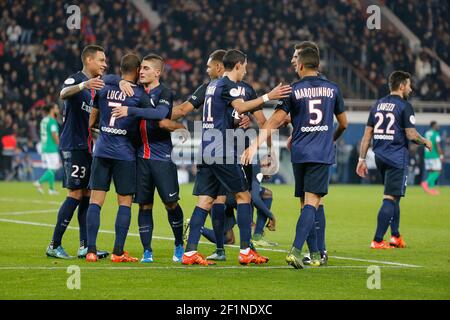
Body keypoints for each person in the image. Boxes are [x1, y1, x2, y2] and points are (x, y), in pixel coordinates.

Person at [182, 49, 291, 266]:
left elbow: (231, 113)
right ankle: (245, 251)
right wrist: (269, 96)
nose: (246, 71)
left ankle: (190, 252)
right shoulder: (227, 85)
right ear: (239, 65)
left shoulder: (212, 85)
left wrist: (237, 120)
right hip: (222, 150)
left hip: (207, 148)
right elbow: (241, 107)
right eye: (246, 66)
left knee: (205, 201)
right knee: (244, 197)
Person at [242, 47, 348, 269]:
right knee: (313, 203)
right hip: (320, 153)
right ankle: (296, 250)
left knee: (304, 204)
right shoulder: (333, 89)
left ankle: (317, 253)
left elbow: (273, 122)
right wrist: (332, 138)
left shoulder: (293, 90)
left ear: (300, 66)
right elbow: (344, 123)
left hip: (299, 152)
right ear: (317, 66)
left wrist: (254, 146)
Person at [85, 53, 168, 262]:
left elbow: (93, 113)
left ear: (120, 68)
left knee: (96, 201)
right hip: (125, 154)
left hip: (102, 149)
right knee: (124, 204)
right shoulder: (139, 94)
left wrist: (93, 126)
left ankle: (91, 251)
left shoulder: (104, 85)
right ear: (138, 68)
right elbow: (157, 114)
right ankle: (117, 252)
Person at [111, 54, 187, 263]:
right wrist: (119, 81)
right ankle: (147, 250)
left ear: (157, 72)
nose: (141, 71)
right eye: (140, 68)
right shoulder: (133, 90)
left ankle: (179, 244)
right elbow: (108, 79)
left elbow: (161, 114)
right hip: (139, 157)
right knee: (144, 205)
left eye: (145, 68)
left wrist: (130, 110)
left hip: (161, 156)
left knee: (170, 203)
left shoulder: (164, 92)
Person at [45, 45, 109, 260]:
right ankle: (54, 244)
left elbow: (87, 121)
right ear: (89, 60)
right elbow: (63, 93)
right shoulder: (77, 79)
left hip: (87, 146)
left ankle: (85, 246)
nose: (104, 64)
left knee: (87, 196)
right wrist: (84, 84)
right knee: (74, 194)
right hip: (73, 146)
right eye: (101, 60)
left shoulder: (94, 90)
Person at [356, 71, 432, 249]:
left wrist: (361, 158)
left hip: (380, 156)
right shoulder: (405, 106)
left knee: (394, 196)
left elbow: (367, 134)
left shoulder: (378, 104)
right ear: (401, 86)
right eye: (409, 85)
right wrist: (425, 141)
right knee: (390, 198)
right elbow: (411, 134)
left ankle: (395, 236)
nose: (411, 89)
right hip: (396, 157)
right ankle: (377, 240)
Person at [33, 104, 61, 195]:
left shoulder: (43, 120)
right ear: (52, 110)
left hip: (44, 146)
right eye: (56, 108)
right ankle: (39, 182)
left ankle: (51, 189)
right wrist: (60, 144)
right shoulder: (52, 121)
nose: (57, 109)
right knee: (54, 168)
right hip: (51, 147)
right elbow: (54, 135)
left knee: (51, 168)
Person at [421, 121, 444, 195]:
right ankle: (426, 183)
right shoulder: (436, 134)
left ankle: (432, 189)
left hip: (427, 155)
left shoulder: (427, 133)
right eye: (437, 125)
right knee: (438, 171)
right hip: (434, 155)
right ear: (433, 126)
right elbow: (437, 146)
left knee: (431, 171)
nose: (438, 126)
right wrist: (441, 155)